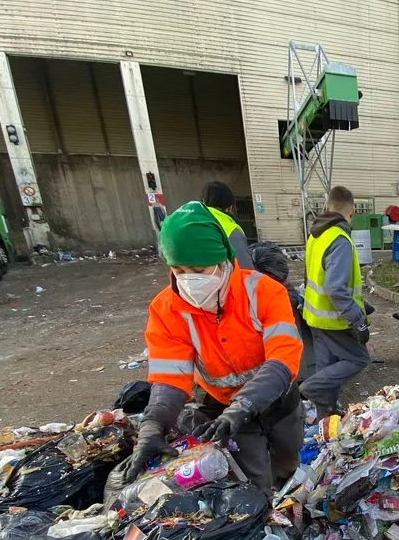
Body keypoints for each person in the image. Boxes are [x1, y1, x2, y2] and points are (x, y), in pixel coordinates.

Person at [123, 201, 303, 493]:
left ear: (225, 261)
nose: (189, 280)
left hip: (278, 400)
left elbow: (283, 356)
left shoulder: (264, 292)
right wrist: (154, 425)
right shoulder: (167, 310)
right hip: (224, 412)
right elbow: (170, 377)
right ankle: (267, 518)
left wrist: (244, 404)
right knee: (254, 480)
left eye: (199, 269)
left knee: (288, 460)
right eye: (179, 270)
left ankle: (288, 497)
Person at [299, 185, 370, 417]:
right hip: (334, 319)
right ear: (353, 211)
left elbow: (313, 276)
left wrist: (359, 304)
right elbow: (335, 288)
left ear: (328, 206)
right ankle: (309, 388)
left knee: (326, 367)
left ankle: (325, 415)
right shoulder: (340, 239)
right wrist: (357, 319)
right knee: (358, 358)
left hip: (314, 315)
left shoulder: (316, 234)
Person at [201, 181, 253, 270]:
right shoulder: (230, 230)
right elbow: (245, 268)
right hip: (223, 281)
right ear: (229, 207)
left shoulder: (191, 224)